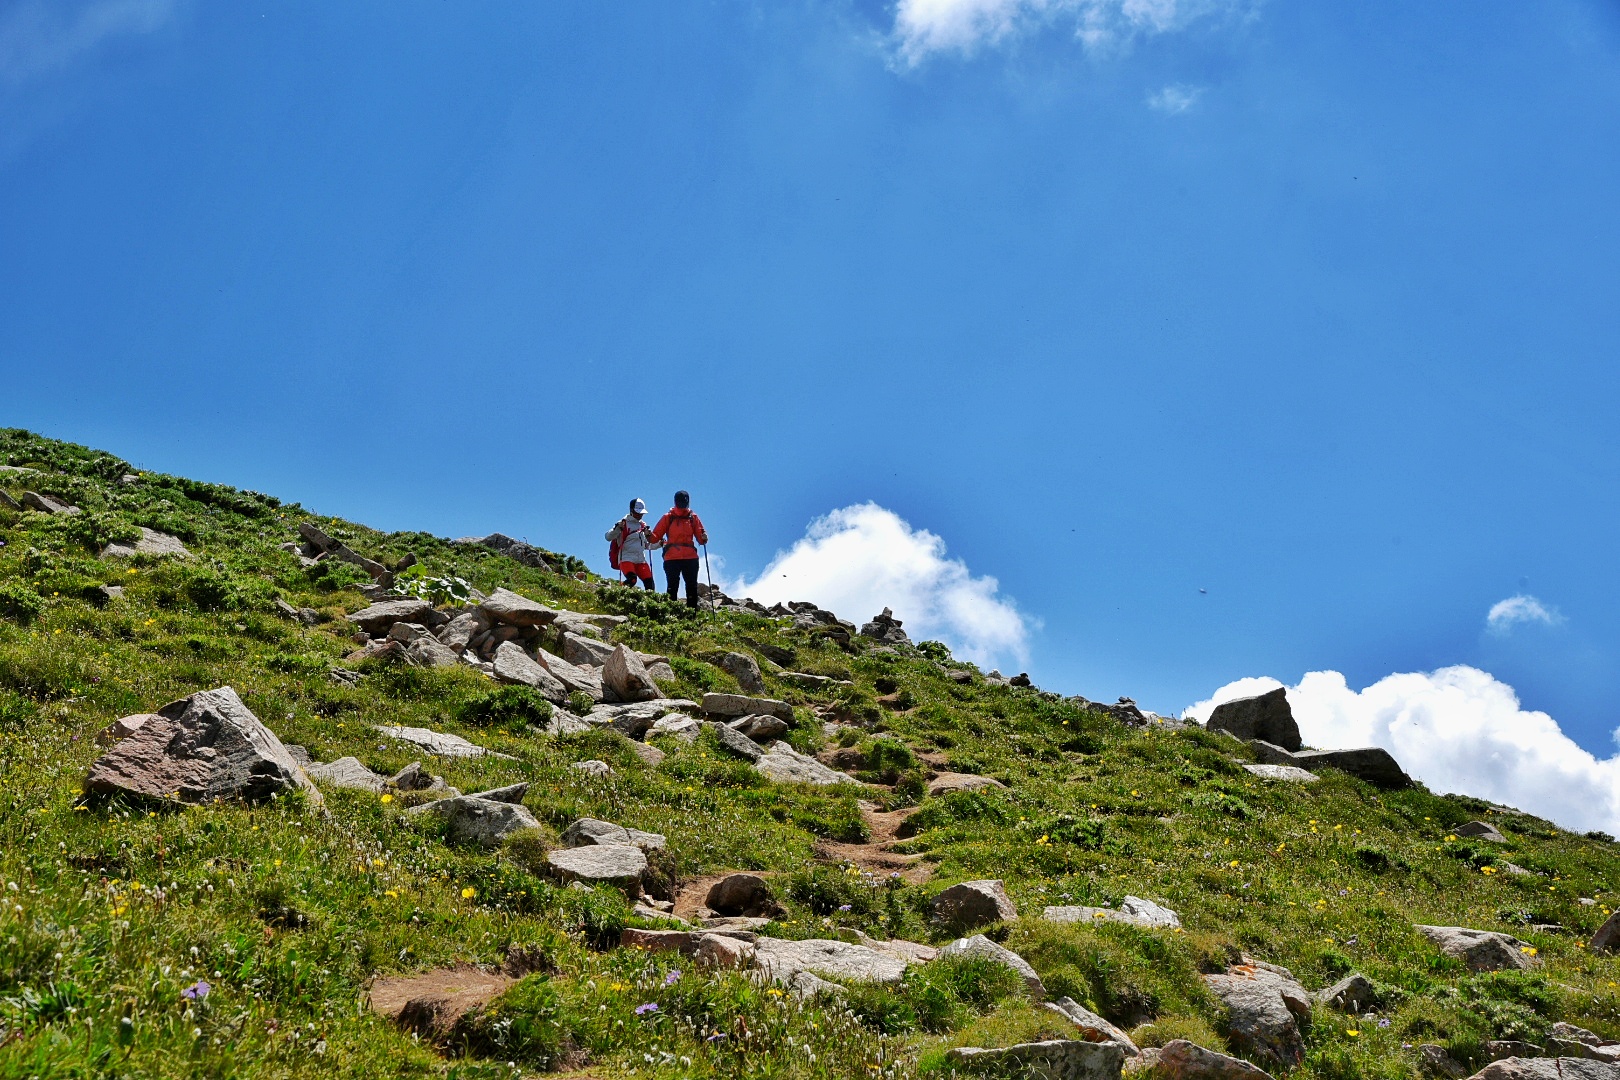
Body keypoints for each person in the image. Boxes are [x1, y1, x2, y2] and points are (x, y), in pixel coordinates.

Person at [650, 490, 708, 607]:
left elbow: (654, 538)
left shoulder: (676, 517)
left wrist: (649, 535)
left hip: (673, 558)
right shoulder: (689, 517)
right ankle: (691, 616)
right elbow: (701, 541)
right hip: (688, 557)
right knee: (690, 587)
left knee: (673, 587)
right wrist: (704, 538)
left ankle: (671, 613)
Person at [606, 498, 659, 590]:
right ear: (631, 510)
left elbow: (647, 545)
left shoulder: (643, 525)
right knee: (632, 580)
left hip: (641, 560)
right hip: (626, 558)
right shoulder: (623, 523)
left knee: (650, 585)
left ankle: (646, 603)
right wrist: (617, 528)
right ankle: (618, 592)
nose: (640, 515)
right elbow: (608, 537)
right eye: (638, 512)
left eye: (641, 513)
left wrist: (660, 544)